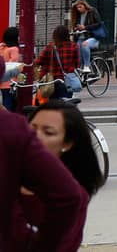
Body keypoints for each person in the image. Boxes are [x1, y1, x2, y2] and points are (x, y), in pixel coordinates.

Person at [1, 106, 87, 252]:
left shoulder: (72, 195)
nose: (36, 136)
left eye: (48, 132)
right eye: (31, 129)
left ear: (67, 144)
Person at [33, 26, 79, 104]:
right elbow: (77, 64)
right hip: (67, 82)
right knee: (66, 105)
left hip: (51, 83)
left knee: (53, 105)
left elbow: (38, 62)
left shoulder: (50, 47)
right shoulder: (74, 46)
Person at [67, 0, 105, 71]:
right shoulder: (77, 14)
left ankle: (87, 66)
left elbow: (99, 24)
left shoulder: (92, 11)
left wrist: (85, 27)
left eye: (80, 7)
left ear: (85, 5)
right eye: (77, 7)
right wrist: (76, 29)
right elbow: (75, 25)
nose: (78, 9)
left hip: (93, 37)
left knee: (85, 44)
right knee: (77, 50)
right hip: (80, 37)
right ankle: (80, 69)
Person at [1, 27, 22, 112]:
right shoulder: (14, 49)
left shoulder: (1, 47)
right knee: (8, 105)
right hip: (9, 83)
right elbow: (14, 65)